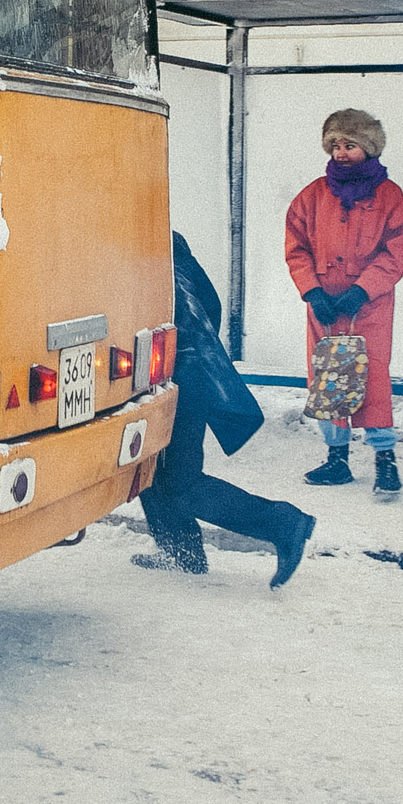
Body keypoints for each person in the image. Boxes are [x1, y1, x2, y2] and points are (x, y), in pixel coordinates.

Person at [138, 233, 318, 587]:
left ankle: (284, 523)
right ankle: (181, 553)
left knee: (181, 482)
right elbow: (211, 303)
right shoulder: (166, 239)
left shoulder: (144, 243)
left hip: (178, 375)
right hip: (181, 371)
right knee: (149, 466)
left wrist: (186, 356)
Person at [284, 108, 403, 492]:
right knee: (329, 379)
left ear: (369, 148)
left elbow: (396, 251)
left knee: (372, 379)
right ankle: (336, 459)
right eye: (335, 144)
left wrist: (363, 289)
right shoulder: (311, 195)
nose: (340, 152)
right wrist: (311, 290)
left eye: (350, 145)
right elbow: (296, 248)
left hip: (369, 306)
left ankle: (385, 460)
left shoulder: (390, 196)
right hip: (323, 306)